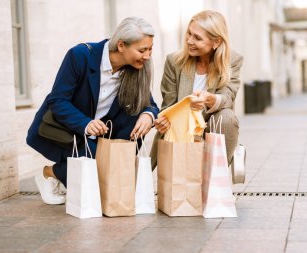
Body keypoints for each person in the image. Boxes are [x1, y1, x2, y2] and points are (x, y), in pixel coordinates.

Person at [27, 17, 159, 205]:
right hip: (68, 130)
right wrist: (86, 123)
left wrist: (148, 115)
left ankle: (66, 174)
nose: (148, 56)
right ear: (121, 45)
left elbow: (150, 104)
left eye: (150, 48)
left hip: (102, 135)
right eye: (142, 50)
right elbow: (57, 100)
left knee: (111, 169)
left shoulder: (137, 69)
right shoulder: (80, 56)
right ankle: (48, 173)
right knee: (101, 170)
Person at [151, 10, 243, 170]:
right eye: (189, 33)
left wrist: (210, 99)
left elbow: (228, 95)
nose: (189, 41)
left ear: (216, 42)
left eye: (197, 38)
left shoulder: (232, 60)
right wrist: (163, 121)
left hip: (212, 125)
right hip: (182, 127)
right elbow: (168, 106)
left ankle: (216, 178)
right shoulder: (174, 62)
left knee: (227, 116)